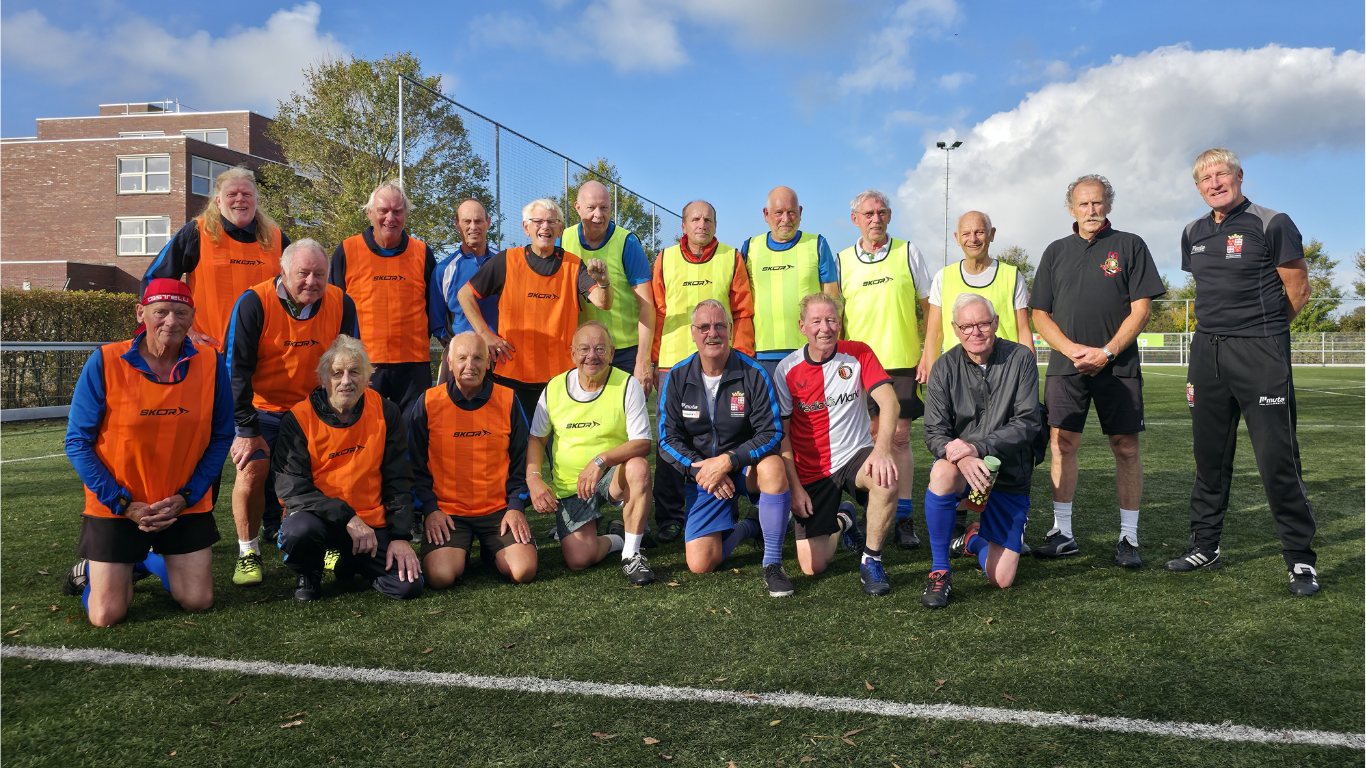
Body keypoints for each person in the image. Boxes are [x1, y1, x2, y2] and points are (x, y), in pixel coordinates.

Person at [1168, 148, 1319, 595]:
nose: (1214, 183)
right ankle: (1205, 545)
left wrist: (1262, 334)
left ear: (1238, 176)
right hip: (1207, 354)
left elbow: (1299, 290)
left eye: (1222, 174)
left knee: (1277, 459)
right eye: (1205, 179)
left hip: (1260, 354)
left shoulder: (1272, 223)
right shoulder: (1192, 232)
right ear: (1198, 187)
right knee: (1209, 457)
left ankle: (1300, 559)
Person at [61, 278, 232, 626]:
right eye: (161, 311)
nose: (171, 321)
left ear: (192, 317)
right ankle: (95, 569)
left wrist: (187, 496)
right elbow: (77, 442)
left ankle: (143, 560)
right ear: (141, 313)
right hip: (118, 505)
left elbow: (221, 436)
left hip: (181, 503)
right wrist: (123, 503)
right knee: (106, 615)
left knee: (197, 600)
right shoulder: (105, 360)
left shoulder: (212, 364)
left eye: (181, 312)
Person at [1028, 174, 1165, 568]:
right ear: (1071, 208)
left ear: (1108, 205)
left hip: (1118, 366)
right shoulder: (1055, 251)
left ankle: (1128, 537)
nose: (1091, 210)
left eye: (1097, 202)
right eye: (1083, 203)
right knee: (1062, 445)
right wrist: (1071, 350)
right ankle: (1063, 532)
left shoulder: (1130, 245)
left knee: (1126, 447)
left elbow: (1141, 309)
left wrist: (1106, 352)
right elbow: (1040, 314)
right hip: (1066, 366)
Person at [224, 239, 358, 585]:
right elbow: (235, 370)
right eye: (303, 273)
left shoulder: (342, 302)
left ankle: (329, 542)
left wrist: (344, 414)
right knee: (252, 468)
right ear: (283, 272)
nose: (312, 281)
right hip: (263, 408)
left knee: (334, 468)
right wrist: (245, 429)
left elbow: (349, 360)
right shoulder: (254, 302)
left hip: (315, 408)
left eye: (320, 274)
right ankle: (248, 551)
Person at [272, 336, 423, 602]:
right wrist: (348, 517)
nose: (346, 381)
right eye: (337, 373)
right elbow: (291, 488)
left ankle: (352, 561)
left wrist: (400, 536)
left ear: (367, 378)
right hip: (318, 519)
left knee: (407, 587)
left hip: (370, 523)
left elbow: (398, 478)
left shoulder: (386, 411)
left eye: (354, 372)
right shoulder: (298, 418)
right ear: (323, 380)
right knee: (299, 531)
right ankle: (308, 572)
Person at [658, 300, 792, 596]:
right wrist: (702, 470)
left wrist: (729, 460)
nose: (712, 333)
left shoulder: (753, 372)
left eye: (719, 325)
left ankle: (773, 563)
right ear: (693, 332)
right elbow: (667, 439)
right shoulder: (677, 376)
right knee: (700, 563)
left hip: (743, 467)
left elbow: (771, 433)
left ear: (730, 330)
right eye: (704, 327)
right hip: (704, 474)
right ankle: (751, 524)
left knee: (773, 467)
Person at [923, 210, 1035, 556]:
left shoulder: (1010, 275)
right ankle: (954, 536)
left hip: (1005, 374)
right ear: (957, 238)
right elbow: (934, 329)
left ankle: (984, 530)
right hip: (960, 379)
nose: (973, 238)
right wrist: (930, 363)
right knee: (950, 463)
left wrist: (1027, 368)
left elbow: (1023, 327)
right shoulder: (944, 277)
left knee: (1004, 576)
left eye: (980, 232)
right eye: (967, 233)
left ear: (991, 234)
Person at [774, 294, 901, 595]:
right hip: (812, 471)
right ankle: (845, 520)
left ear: (839, 323)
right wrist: (795, 488)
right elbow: (783, 435)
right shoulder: (786, 369)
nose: (825, 328)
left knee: (885, 477)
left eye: (831, 320)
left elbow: (890, 403)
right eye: (816, 321)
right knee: (812, 566)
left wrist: (882, 450)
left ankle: (871, 560)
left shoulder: (858, 352)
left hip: (856, 454)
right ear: (802, 326)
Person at [921, 294, 1042, 608]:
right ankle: (940, 571)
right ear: (955, 329)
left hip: (1010, 472)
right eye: (966, 326)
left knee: (1002, 579)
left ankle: (973, 538)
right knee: (942, 472)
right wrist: (962, 457)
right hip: (965, 470)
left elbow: (1028, 421)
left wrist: (976, 447)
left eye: (983, 324)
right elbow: (934, 432)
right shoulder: (944, 367)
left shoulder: (1020, 358)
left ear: (996, 323)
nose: (975, 332)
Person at [649, 200, 756, 543]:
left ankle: (727, 506)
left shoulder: (731, 257)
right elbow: (657, 312)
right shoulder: (665, 258)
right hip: (673, 364)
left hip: (721, 364)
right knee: (670, 442)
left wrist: (742, 358)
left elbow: (742, 312)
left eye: (708, 219)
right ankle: (669, 516)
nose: (702, 224)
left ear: (715, 225)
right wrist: (652, 360)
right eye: (695, 219)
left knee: (727, 434)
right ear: (683, 225)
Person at [458, 198, 612, 421]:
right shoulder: (506, 261)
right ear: (526, 227)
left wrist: (604, 283)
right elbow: (465, 294)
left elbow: (603, 302)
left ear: (560, 229)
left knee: (557, 443)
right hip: (510, 376)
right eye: (538, 221)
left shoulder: (573, 265)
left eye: (552, 222)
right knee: (511, 441)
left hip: (559, 380)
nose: (545, 227)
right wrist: (485, 334)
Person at [837, 190, 933, 550]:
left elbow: (931, 306)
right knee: (866, 437)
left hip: (901, 360)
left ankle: (904, 517)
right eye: (868, 213)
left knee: (899, 438)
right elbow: (835, 317)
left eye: (881, 212)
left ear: (889, 216)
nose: (875, 219)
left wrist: (928, 353)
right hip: (857, 364)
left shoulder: (908, 252)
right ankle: (868, 514)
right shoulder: (842, 260)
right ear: (855, 219)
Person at [527, 322, 656, 585]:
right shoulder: (554, 387)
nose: (592, 356)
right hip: (572, 486)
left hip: (611, 476)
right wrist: (534, 478)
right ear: (572, 353)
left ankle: (631, 555)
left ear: (612, 352)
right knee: (579, 559)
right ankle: (618, 538)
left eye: (600, 348)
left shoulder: (627, 384)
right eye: (584, 349)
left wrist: (601, 460)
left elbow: (643, 443)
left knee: (639, 467)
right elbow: (537, 439)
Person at [406, 332, 537, 588]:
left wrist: (515, 506)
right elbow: (414, 465)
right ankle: (462, 549)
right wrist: (430, 509)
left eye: (477, 358)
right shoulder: (429, 402)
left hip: (498, 510)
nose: (470, 365)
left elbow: (522, 460)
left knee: (523, 571)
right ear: (449, 362)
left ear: (488, 362)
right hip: (447, 512)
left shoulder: (508, 399)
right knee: (440, 577)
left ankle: (491, 549)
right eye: (462, 358)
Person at [142, 167, 288, 351]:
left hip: (267, 352)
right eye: (232, 194)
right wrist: (184, 330)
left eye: (247, 194)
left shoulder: (277, 239)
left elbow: (301, 288)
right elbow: (153, 281)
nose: (240, 199)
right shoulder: (197, 232)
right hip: (209, 351)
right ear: (218, 201)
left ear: (256, 200)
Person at [330, 179, 438, 414]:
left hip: (413, 364)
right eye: (383, 211)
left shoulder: (422, 252)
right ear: (370, 213)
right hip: (362, 362)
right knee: (364, 428)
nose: (390, 218)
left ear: (406, 214)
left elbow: (433, 307)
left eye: (397, 211)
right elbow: (332, 307)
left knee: (412, 430)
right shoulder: (347, 250)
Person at [561, 180, 656, 392]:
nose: (598, 214)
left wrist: (643, 360)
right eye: (591, 207)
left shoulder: (628, 243)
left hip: (624, 351)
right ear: (577, 208)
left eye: (604, 207)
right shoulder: (563, 239)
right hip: (583, 351)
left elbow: (647, 305)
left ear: (611, 208)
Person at [740, 186, 840, 377]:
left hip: (809, 352)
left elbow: (833, 300)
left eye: (791, 212)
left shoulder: (817, 244)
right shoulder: (750, 247)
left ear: (800, 212)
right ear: (766, 214)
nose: (786, 219)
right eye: (779, 212)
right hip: (761, 355)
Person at [430, 198, 501, 383]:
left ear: (488, 222)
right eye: (467, 221)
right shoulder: (444, 270)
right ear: (457, 224)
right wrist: (461, 351)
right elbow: (437, 325)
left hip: (500, 357)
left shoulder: (505, 262)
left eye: (478, 221)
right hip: (460, 363)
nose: (473, 227)